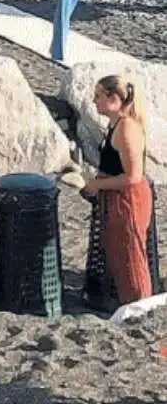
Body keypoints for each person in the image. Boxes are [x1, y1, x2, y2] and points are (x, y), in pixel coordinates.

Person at [82, 76, 152, 305]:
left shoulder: (127, 129)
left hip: (128, 201)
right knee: (119, 258)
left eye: (99, 95)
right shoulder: (114, 125)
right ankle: (128, 304)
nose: (94, 100)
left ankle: (139, 308)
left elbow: (133, 176)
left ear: (114, 99)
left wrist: (97, 184)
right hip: (115, 199)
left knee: (131, 260)